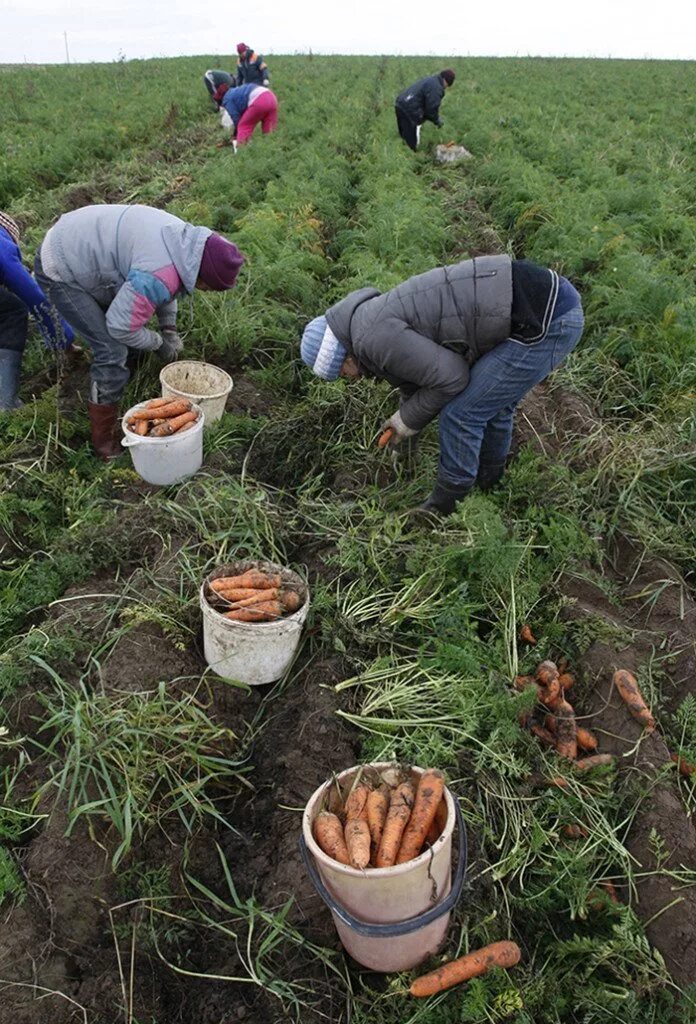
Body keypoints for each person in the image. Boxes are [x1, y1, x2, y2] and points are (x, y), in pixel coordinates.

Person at [300, 255, 584, 515]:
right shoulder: (366, 323)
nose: (348, 378)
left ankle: (445, 507)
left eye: (341, 372)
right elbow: (417, 381)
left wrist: (406, 420)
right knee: (491, 403)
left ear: (343, 355)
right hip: (538, 300)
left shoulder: (372, 339)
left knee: (462, 413)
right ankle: (491, 484)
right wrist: (403, 439)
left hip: (547, 318)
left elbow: (452, 377)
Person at [34, 204, 244, 459]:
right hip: (61, 265)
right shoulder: (158, 272)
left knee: (130, 332)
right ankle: (105, 442)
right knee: (111, 349)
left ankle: (123, 384)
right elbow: (121, 325)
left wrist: (169, 330)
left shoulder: (186, 244)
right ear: (203, 277)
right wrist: (159, 343)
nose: (207, 292)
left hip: (84, 245)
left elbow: (169, 286)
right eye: (210, 288)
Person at [0, 210, 75, 411]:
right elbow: (34, 298)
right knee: (13, 311)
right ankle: (5, 404)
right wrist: (63, 340)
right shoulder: (2, 247)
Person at [395, 69, 455, 151]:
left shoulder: (431, 79)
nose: (445, 88)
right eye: (447, 86)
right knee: (410, 144)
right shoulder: (437, 87)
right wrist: (437, 121)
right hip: (409, 111)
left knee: (403, 138)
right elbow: (431, 109)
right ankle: (410, 155)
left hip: (400, 104)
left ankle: (401, 152)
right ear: (445, 80)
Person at [213, 82, 279, 146]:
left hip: (259, 100)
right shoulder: (235, 91)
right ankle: (272, 148)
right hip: (271, 96)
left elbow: (236, 117)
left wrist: (236, 134)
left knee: (243, 126)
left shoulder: (226, 99)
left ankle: (242, 150)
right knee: (269, 131)